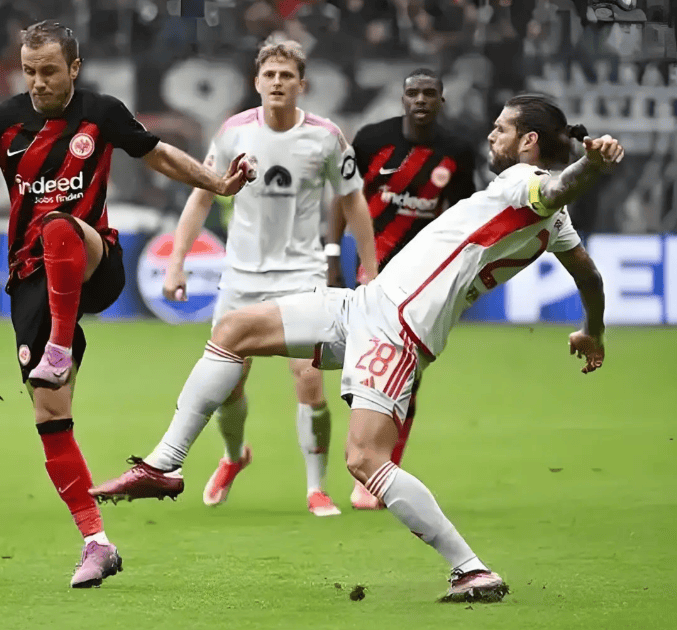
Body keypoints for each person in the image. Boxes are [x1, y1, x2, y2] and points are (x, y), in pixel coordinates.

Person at [91, 94, 622, 602]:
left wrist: (590, 167)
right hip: (367, 305)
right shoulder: (553, 221)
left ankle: (471, 568)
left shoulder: (527, 184)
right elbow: (590, 277)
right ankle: (164, 465)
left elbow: (558, 188)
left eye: (502, 128)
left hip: (399, 330)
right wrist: (592, 331)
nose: (491, 134)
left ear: (529, 141)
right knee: (233, 330)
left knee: (366, 460)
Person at [0, 20, 249, 589]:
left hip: (95, 261)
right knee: (50, 416)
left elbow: (159, 155)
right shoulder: (2, 122)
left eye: (49, 71)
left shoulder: (100, 113)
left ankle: (57, 347)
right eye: (29, 71)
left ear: (74, 68)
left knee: (57, 224)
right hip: (32, 281)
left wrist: (217, 183)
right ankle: (96, 543)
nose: (38, 82)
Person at [161, 40, 378, 517]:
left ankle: (316, 487)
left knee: (308, 378)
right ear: (256, 82)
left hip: (301, 274)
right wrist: (177, 261)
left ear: (302, 84)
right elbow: (201, 195)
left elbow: (353, 201)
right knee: (229, 385)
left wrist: (371, 268)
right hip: (242, 276)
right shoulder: (233, 132)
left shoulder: (326, 137)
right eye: (270, 75)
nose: (278, 82)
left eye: (287, 75)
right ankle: (234, 456)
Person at [328, 67, 477, 510]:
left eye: (430, 93)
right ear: (403, 98)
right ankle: (369, 463)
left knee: (407, 374)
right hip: (373, 269)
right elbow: (343, 196)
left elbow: (464, 217)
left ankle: (382, 470)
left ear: (441, 100)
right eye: (414, 92)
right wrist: (332, 255)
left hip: (424, 276)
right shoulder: (372, 140)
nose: (421, 100)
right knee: (367, 368)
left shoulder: (457, 152)